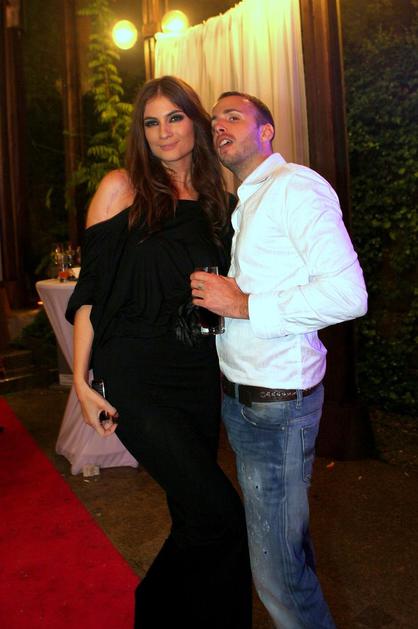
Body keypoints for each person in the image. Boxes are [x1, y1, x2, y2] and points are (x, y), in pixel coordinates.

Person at [65, 77, 252, 629]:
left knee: (194, 516)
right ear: (140, 133)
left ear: (196, 122)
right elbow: (90, 296)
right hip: (136, 375)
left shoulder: (219, 202)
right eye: (151, 122)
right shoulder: (121, 189)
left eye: (174, 117)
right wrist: (82, 383)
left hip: (197, 372)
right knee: (221, 514)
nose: (164, 132)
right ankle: (152, 611)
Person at [191, 91, 368, 628]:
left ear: (267, 131)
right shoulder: (247, 200)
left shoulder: (295, 187)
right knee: (287, 552)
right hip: (246, 402)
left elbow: (348, 295)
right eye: (215, 120)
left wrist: (243, 304)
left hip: (278, 406)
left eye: (234, 116)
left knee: (277, 574)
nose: (219, 126)